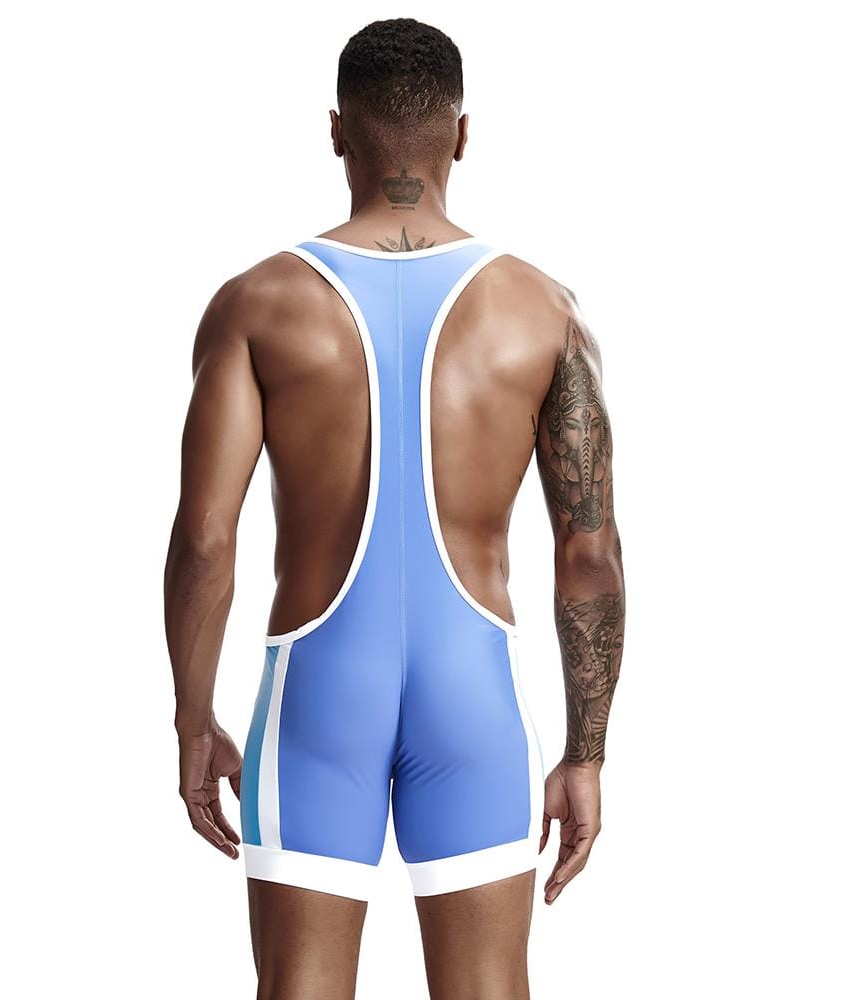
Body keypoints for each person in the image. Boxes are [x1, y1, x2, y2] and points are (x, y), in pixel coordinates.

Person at [163, 17, 625, 1000]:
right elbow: (588, 553)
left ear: (337, 132)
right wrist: (585, 755)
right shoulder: (544, 310)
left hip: (319, 691)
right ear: (463, 134)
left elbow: (205, 540)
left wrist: (193, 717)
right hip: (473, 694)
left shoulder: (257, 304)